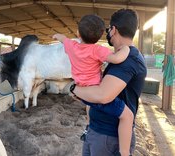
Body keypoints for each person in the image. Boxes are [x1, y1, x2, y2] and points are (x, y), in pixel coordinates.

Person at [53, 14, 134, 156]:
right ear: (101, 35)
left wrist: (57, 36)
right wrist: (126, 49)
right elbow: (116, 59)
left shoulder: (72, 46)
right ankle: (125, 152)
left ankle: (88, 127)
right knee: (127, 116)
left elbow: (63, 39)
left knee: (89, 106)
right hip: (95, 93)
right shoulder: (97, 50)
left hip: (81, 92)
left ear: (78, 33)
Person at [71, 9, 147, 156]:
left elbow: (102, 95)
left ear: (113, 30)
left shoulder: (129, 58)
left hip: (109, 137)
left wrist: (74, 88)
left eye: (108, 29)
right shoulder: (119, 56)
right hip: (97, 130)